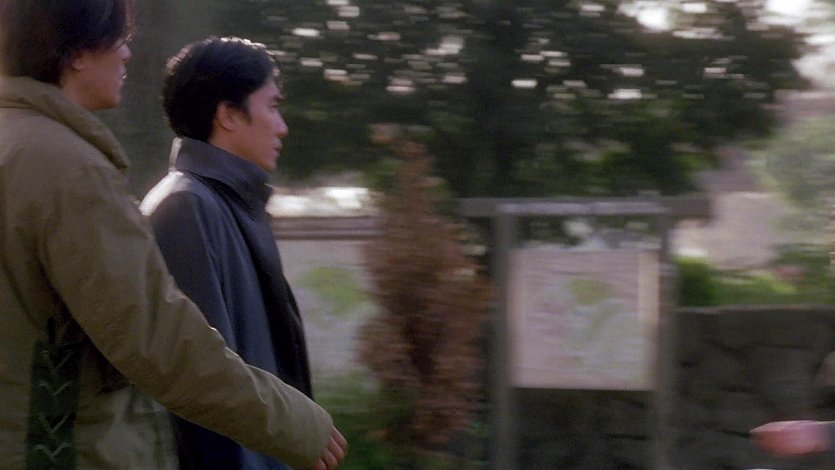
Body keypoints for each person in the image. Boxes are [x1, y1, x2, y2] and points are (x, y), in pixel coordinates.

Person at [0, 1, 346, 469]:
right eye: (118, 38)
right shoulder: (71, 170)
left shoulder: (18, 144)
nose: (127, 54)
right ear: (77, 51)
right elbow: (158, 342)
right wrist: (294, 423)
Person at [139, 36, 327, 470]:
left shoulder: (228, 204)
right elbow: (202, 387)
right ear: (227, 114)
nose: (282, 126)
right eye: (272, 106)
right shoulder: (186, 208)